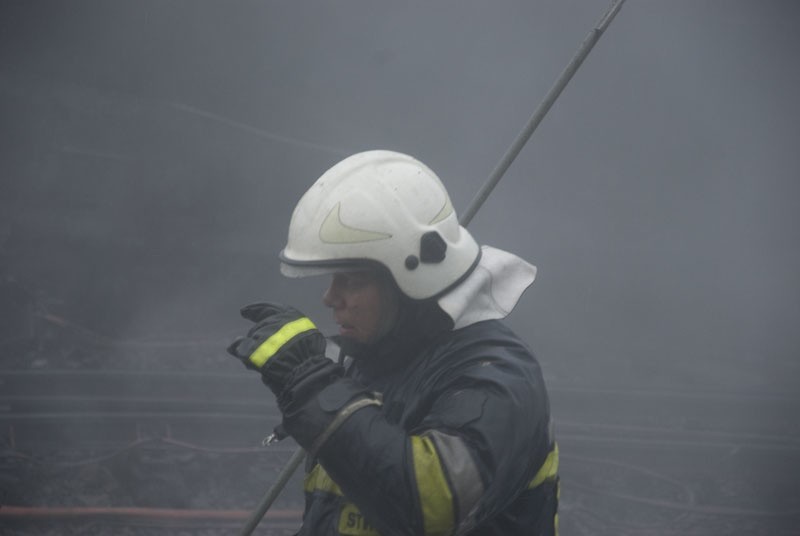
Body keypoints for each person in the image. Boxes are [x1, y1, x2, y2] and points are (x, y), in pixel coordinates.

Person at [228, 150, 558, 535]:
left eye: (351, 280)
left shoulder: (499, 377)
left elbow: (428, 508)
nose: (330, 298)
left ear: (411, 282)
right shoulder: (370, 364)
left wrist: (312, 385)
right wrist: (314, 384)